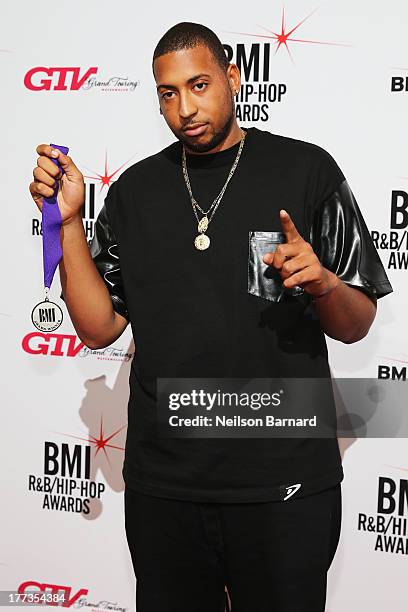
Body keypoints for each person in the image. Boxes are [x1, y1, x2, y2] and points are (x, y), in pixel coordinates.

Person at [29, 21, 393, 612]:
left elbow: (356, 323)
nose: (185, 108)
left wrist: (323, 281)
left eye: (199, 85)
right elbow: (99, 328)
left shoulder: (306, 171)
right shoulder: (137, 191)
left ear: (232, 76)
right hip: (166, 486)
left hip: (285, 482)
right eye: (168, 93)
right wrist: (68, 221)